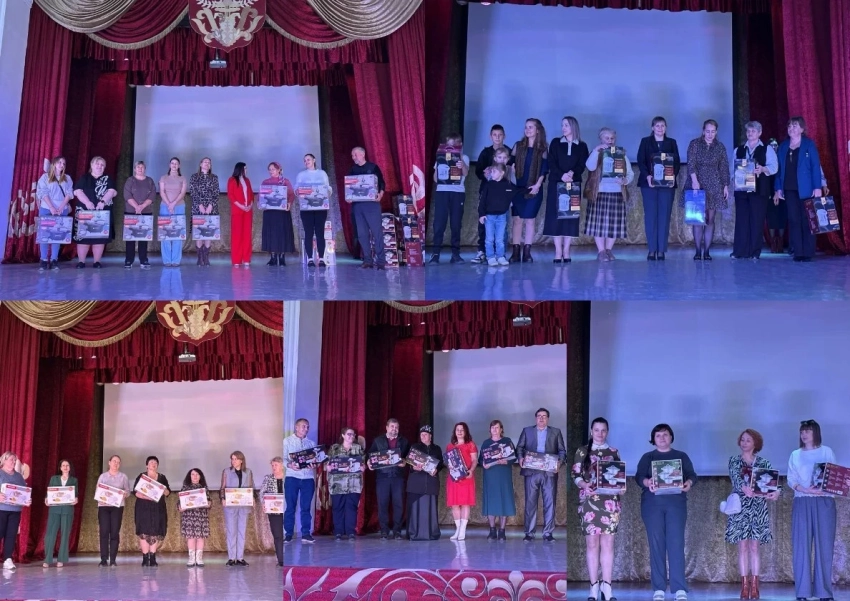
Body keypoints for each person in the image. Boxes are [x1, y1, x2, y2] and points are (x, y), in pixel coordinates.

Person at [635, 424, 697, 601]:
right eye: (658, 435)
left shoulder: (681, 456)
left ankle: (679, 588)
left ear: (671, 437)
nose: (662, 438)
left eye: (665, 434)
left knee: (676, 544)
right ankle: (659, 588)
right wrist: (647, 482)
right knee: (656, 546)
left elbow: (692, 475)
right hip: (652, 506)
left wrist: (689, 484)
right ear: (653, 439)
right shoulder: (648, 457)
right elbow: (639, 477)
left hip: (676, 505)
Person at [726, 429, 779, 600]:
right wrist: (744, 488)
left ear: (755, 443)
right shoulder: (734, 460)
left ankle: (755, 587)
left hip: (758, 508)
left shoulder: (763, 462)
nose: (744, 443)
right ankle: (744, 586)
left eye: (748, 440)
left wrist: (775, 492)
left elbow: (774, 483)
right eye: (742, 440)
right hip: (740, 507)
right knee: (742, 547)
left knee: (755, 547)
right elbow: (736, 478)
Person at [572, 418, 622, 601]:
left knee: (608, 544)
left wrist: (621, 486)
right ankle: (593, 586)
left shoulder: (614, 452)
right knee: (592, 544)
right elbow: (575, 475)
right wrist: (584, 485)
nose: (600, 433)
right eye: (596, 430)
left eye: (603, 430)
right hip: (589, 501)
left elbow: (618, 476)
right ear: (591, 431)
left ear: (607, 432)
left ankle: (607, 586)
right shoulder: (582, 451)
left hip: (610, 502)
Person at [787, 419, 836, 601]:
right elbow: (791, 479)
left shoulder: (827, 451)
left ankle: (824, 592)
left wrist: (824, 488)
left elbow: (833, 475)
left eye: (807, 431)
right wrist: (805, 489)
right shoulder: (795, 454)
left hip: (824, 502)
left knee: (825, 546)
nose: (804, 434)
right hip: (802, 501)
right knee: (801, 547)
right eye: (802, 431)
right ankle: (803, 592)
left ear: (816, 432)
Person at [774, 117, 824, 263]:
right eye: (789, 126)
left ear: (802, 129)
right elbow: (778, 170)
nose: (791, 128)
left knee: (807, 220)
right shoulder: (783, 146)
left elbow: (815, 167)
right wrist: (778, 188)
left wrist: (817, 187)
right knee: (794, 220)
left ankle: (808, 252)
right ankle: (798, 252)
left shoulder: (809, 144)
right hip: (789, 189)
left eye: (795, 126)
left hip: (807, 189)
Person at [583, 128, 635, 261]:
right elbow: (590, 167)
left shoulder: (620, 154)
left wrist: (625, 180)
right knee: (598, 224)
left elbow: (630, 173)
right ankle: (601, 251)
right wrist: (596, 150)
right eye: (606, 138)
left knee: (614, 224)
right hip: (599, 192)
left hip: (616, 192)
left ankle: (608, 250)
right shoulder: (596, 152)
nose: (610, 140)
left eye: (612, 138)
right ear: (601, 139)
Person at [516, 408, 566, 542]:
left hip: (549, 472)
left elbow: (562, 451)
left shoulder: (556, 432)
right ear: (535, 418)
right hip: (531, 471)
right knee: (530, 503)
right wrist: (520, 458)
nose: (541, 418)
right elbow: (519, 447)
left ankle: (548, 533)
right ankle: (529, 533)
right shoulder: (527, 431)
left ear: (548, 418)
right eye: (539, 416)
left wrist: (559, 463)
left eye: (544, 416)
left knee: (550, 503)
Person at [731, 122, 778, 261]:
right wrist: (734, 178)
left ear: (759, 133)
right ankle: (739, 251)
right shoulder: (738, 150)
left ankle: (754, 251)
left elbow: (774, 167)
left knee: (757, 220)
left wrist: (763, 169)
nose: (750, 133)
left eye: (753, 131)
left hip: (760, 191)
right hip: (742, 190)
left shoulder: (767, 149)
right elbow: (732, 169)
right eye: (748, 131)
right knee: (741, 220)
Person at [545, 116, 589, 263]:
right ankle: (558, 251)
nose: (563, 128)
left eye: (566, 125)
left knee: (570, 217)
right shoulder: (555, 143)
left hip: (573, 185)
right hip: (556, 183)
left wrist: (572, 174)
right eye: (562, 125)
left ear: (573, 127)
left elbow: (582, 164)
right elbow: (551, 162)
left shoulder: (582, 146)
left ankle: (566, 250)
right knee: (555, 218)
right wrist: (561, 175)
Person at [685, 120, 730, 261]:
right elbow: (691, 163)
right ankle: (698, 251)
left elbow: (724, 167)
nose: (710, 134)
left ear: (716, 132)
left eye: (713, 131)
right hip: (696, 183)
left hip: (714, 185)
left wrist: (726, 185)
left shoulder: (720, 147)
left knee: (710, 220)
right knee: (698, 219)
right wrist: (694, 181)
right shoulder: (695, 144)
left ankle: (707, 252)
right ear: (703, 131)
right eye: (708, 131)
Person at [637, 117, 681, 260]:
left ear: (666, 128)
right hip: (648, 184)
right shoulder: (645, 141)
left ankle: (661, 250)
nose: (660, 128)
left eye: (662, 126)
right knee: (650, 217)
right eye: (657, 126)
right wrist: (648, 176)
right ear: (652, 128)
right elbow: (641, 161)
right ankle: (652, 249)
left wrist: (672, 175)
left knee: (664, 216)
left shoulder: (671, 142)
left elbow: (676, 163)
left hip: (666, 186)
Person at [510, 118, 548, 263]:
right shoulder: (518, 145)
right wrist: (511, 168)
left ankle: (527, 252)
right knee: (517, 220)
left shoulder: (542, 148)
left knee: (530, 220)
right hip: (518, 188)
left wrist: (537, 185)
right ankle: (515, 252)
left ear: (538, 130)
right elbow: (510, 162)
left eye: (531, 127)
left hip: (534, 188)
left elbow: (544, 169)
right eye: (526, 127)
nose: (527, 130)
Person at [473, 124, 513, 264]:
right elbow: (478, 171)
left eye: (500, 135)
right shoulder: (485, 153)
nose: (497, 137)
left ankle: (501, 254)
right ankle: (482, 251)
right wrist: (485, 173)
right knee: (484, 224)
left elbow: (511, 172)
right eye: (494, 135)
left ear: (504, 136)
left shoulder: (509, 152)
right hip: (487, 193)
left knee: (502, 225)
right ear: (490, 136)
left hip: (502, 197)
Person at [430, 133, 470, 264]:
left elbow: (465, 174)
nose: (451, 147)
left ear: (460, 145)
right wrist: (439, 163)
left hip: (457, 192)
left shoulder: (464, 157)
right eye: (449, 145)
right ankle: (435, 254)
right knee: (439, 223)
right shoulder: (441, 157)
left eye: (454, 145)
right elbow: (435, 179)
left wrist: (462, 164)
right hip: (442, 192)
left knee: (456, 223)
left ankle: (455, 254)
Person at [368, 418, 410, 539]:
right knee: (383, 504)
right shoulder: (378, 440)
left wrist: (405, 462)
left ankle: (397, 531)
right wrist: (369, 463)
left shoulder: (404, 441)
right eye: (392, 427)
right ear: (386, 427)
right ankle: (384, 531)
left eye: (396, 427)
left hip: (398, 477)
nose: (394, 429)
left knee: (399, 504)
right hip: (382, 477)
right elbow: (370, 456)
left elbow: (408, 457)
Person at [73, 156, 117, 269]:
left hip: (102, 213)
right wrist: (87, 203)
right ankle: (81, 262)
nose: (99, 166)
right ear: (92, 165)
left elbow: (112, 191)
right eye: (97, 164)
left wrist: (102, 202)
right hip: (84, 212)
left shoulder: (108, 178)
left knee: (99, 238)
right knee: (83, 238)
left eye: (102, 165)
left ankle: (97, 262)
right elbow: (78, 191)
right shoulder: (84, 178)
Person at [347, 146, 386, 269]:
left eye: (355, 154)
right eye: (352, 155)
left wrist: (380, 194)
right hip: (358, 205)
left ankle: (381, 262)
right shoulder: (352, 170)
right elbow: (348, 187)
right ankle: (368, 260)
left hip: (372, 204)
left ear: (363, 154)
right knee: (362, 234)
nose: (353, 157)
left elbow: (382, 183)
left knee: (377, 233)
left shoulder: (373, 167)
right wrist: (348, 197)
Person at [479, 419, 516, 541]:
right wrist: (483, 464)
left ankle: (502, 531)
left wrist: (507, 461)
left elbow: (513, 457)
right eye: (492, 428)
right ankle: (492, 530)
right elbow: (480, 459)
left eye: (497, 427)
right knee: (491, 502)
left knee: (504, 501)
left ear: (501, 429)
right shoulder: (486, 443)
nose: (494, 430)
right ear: (490, 430)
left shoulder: (507, 441)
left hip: (504, 475)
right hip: (490, 475)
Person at [326, 428, 365, 541]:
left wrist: (363, 467)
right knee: (337, 508)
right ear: (343, 435)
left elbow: (363, 463)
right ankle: (338, 532)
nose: (351, 436)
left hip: (354, 484)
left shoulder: (358, 448)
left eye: (353, 434)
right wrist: (328, 467)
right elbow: (327, 463)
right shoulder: (334, 448)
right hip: (337, 484)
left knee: (351, 508)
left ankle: (350, 532)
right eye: (349, 434)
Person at [35, 156, 73, 271]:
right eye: (59, 162)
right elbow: (42, 192)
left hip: (62, 209)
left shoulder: (67, 178)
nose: (62, 165)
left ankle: (54, 259)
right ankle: (43, 259)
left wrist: (61, 207)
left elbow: (69, 193)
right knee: (45, 235)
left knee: (57, 235)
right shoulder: (45, 177)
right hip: (47, 208)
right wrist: (51, 207)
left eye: (64, 163)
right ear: (54, 164)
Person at [283, 419, 317, 544]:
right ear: (296, 427)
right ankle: (288, 534)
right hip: (292, 477)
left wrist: (314, 465)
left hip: (308, 478)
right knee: (290, 507)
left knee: (306, 507)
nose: (306, 429)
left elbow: (315, 460)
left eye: (307, 427)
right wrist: (290, 465)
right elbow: (283, 458)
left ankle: (306, 534)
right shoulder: (287, 441)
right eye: (303, 426)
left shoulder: (311, 443)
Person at [133, 456, 170, 566]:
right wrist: (147, 497)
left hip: (158, 508)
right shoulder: (142, 476)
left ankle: (153, 557)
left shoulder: (162, 477)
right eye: (151, 462)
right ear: (147, 465)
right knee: (144, 531)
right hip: (143, 508)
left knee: (155, 531)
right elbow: (135, 492)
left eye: (155, 463)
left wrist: (164, 489)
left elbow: (168, 493)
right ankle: (145, 558)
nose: (153, 464)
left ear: (157, 465)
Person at [407, 425, 443, 541]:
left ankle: (432, 534)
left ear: (430, 436)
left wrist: (437, 469)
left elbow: (440, 464)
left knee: (431, 508)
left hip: (431, 482)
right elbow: (409, 463)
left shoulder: (436, 448)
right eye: (421, 434)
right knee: (415, 508)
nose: (423, 436)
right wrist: (414, 467)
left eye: (425, 434)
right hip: (416, 482)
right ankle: (414, 533)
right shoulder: (415, 447)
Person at [295, 154, 332, 267]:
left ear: (314, 160)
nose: (306, 162)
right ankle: (310, 259)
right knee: (308, 233)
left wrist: (327, 192)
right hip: (306, 209)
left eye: (308, 159)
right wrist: (298, 192)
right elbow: (296, 188)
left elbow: (328, 187)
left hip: (320, 208)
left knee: (320, 233)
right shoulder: (301, 175)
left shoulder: (322, 173)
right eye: (305, 160)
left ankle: (321, 258)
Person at [220, 450, 254, 565]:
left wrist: (252, 498)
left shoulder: (248, 472)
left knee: (241, 531)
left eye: (236, 459)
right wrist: (222, 498)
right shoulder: (226, 471)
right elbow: (222, 487)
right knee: (231, 531)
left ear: (241, 460)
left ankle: (240, 558)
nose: (233, 461)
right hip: (230, 505)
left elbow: (251, 487)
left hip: (244, 505)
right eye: (232, 459)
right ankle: (231, 558)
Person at [96, 454, 131, 567]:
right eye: (114, 461)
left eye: (118, 462)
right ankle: (103, 559)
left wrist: (124, 494)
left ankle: (113, 559)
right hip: (103, 507)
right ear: (109, 462)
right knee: (104, 532)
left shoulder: (123, 477)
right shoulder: (103, 476)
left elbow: (128, 491)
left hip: (117, 507)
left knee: (115, 532)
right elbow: (98, 491)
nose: (116, 463)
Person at [43, 459, 79, 568]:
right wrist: (46, 499)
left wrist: (76, 499)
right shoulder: (54, 479)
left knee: (65, 535)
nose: (65, 467)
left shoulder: (74, 480)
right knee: (50, 534)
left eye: (67, 465)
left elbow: (76, 494)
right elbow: (49, 492)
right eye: (63, 465)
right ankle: (47, 559)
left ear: (70, 467)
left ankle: (61, 559)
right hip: (54, 509)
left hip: (67, 510)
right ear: (60, 467)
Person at [445, 422, 478, 541]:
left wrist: (471, 470)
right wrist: (450, 467)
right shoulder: (449, 446)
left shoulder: (471, 444)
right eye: (457, 430)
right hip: (454, 479)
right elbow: (448, 462)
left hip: (466, 478)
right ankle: (458, 529)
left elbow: (475, 460)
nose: (459, 432)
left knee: (465, 503)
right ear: (454, 432)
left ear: (466, 432)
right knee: (454, 504)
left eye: (462, 430)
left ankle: (463, 529)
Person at [259, 161, 295, 267]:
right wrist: (259, 203)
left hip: (282, 213)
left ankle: (282, 257)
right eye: (269, 169)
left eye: (273, 169)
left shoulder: (285, 181)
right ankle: (273, 258)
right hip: (270, 213)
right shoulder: (265, 182)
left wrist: (289, 203)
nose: (271, 171)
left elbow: (291, 194)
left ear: (279, 170)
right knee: (271, 234)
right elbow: (261, 196)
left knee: (282, 234)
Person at [0, 452, 32, 570]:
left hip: (15, 510)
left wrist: (27, 500)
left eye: (14, 460)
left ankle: (7, 559)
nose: (13, 462)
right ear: (4, 460)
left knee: (11, 535)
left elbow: (24, 491)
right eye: (11, 460)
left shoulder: (18, 476)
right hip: (1, 510)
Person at [478, 164, 514, 266]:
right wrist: (481, 214)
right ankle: (490, 257)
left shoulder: (507, 185)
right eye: (491, 172)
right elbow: (482, 201)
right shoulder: (488, 185)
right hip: (489, 216)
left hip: (501, 216)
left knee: (500, 239)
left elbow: (517, 191)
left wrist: (531, 189)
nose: (492, 174)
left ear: (502, 173)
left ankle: (500, 256)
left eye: (494, 172)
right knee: (489, 239)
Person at [123, 161, 156, 269]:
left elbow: (152, 196)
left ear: (145, 169)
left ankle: (143, 259)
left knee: (143, 237)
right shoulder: (130, 180)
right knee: (130, 238)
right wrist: (136, 207)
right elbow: (127, 195)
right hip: (131, 212)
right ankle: (129, 260)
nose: (140, 169)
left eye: (142, 167)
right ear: (134, 169)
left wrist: (142, 207)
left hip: (146, 212)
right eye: (138, 167)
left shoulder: (150, 181)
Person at [188, 157, 219, 267]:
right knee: (199, 234)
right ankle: (200, 258)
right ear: (200, 164)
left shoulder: (214, 177)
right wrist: (200, 205)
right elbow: (193, 192)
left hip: (211, 209)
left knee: (208, 234)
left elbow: (216, 192)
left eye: (209, 162)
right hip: (198, 209)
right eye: (205, 162)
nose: (207, 164)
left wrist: (211, 205)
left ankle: (206, 258)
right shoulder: (194, 177)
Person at [159, 157, 188, 267]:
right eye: (172, 163)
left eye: (176, 163)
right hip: (165, 206)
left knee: (177, 233)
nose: (174, 165)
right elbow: (162, 192)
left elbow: (182, 193)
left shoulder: (182, 178)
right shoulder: (163, 178)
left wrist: (173, 204)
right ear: (169, 165)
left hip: (179, 207)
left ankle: (176, 260)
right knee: (165, 233)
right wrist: (169, 204)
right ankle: (167, 260)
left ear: (179, 166)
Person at [179, 468, 211, 567]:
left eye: (197, 474)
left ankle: (199, 558)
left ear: (200, 476)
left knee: (200, 537)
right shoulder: (185, 488)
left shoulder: (204, 488)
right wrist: (180, 507)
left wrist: (208, 504)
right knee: (191, 537)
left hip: (201, 516)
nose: (195, 476)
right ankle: (191, 558)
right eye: (193, 474)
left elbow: (209, 502)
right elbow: (180, 504)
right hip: (189, 516)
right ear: (190, 476)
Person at [227, 162, 254, 267]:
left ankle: (246, 259)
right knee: (237, 235)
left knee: (247, 235)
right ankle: (236, 260)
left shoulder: (247, 180)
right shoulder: (232, 180)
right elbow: (231, 195)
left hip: (248, 211)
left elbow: (251, 194)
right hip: (237, 211)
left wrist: (250, 204)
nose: (246, 170)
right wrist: (241, 206)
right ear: (240, 169)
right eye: (245, 168)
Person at [261, 457, 285, 565]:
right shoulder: (268, 478)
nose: (273, 467)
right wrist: (263, 503)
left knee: (286, 535)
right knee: (277, 535)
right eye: (272, 465)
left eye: (276, 465)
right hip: (274, 511)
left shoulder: (288, 478)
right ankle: (281, 559)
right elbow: (262, 492)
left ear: (282, 466)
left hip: (287, 510)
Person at [765, 138, 786, 254]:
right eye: (771, 145)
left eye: (775, 145)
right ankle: (773, 243)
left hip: (781, 192)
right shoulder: (766, 159)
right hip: (769, 193)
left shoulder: (781, 158)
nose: (774, 147)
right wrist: (771, 193)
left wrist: (778, 192)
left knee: (782, 217)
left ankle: (780, 242)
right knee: (771, 218)